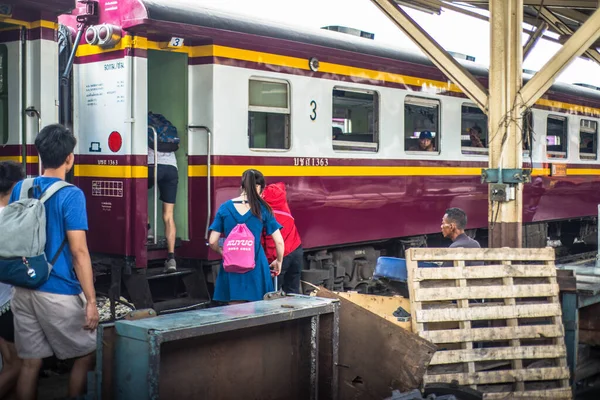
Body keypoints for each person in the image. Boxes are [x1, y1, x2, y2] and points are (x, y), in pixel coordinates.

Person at [9, 124, 99, 400]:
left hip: (22, 287)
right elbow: (79, 252)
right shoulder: (71, 194)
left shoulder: (20, 189)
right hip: (56, 289)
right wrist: (92, 301)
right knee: (87, 354)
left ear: (39, 155)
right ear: (70, 158)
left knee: (30, 362)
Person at [208, 169, 284, 304]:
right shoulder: (262, 208)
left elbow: (213, 241)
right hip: (256, 265)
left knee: (234, 309)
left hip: (231, 265)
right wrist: (278, 261)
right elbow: (279, 242)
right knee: (259, 309)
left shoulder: (225, 207)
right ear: (260, 190)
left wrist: (224, 252)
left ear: (241, 187)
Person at [0, 161, 24, 398]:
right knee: (19, 365)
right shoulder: (12, 219)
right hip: (5, 302)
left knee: (9, 361)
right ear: (16, 186)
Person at [262, 182, 303, 294]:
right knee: (293, 290)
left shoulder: (265, 214)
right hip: (296, 250)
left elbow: (265, 242)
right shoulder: (282, 203)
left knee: (272, 292)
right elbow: (281, 186)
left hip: (278, 256)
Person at [148, 145, 178, 273]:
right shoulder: (166, 126)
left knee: (138, 196)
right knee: (169, 215)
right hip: (172, 168)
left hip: (151, 165)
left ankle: (148, 229)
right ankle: (171, 259)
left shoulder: (146, 128)